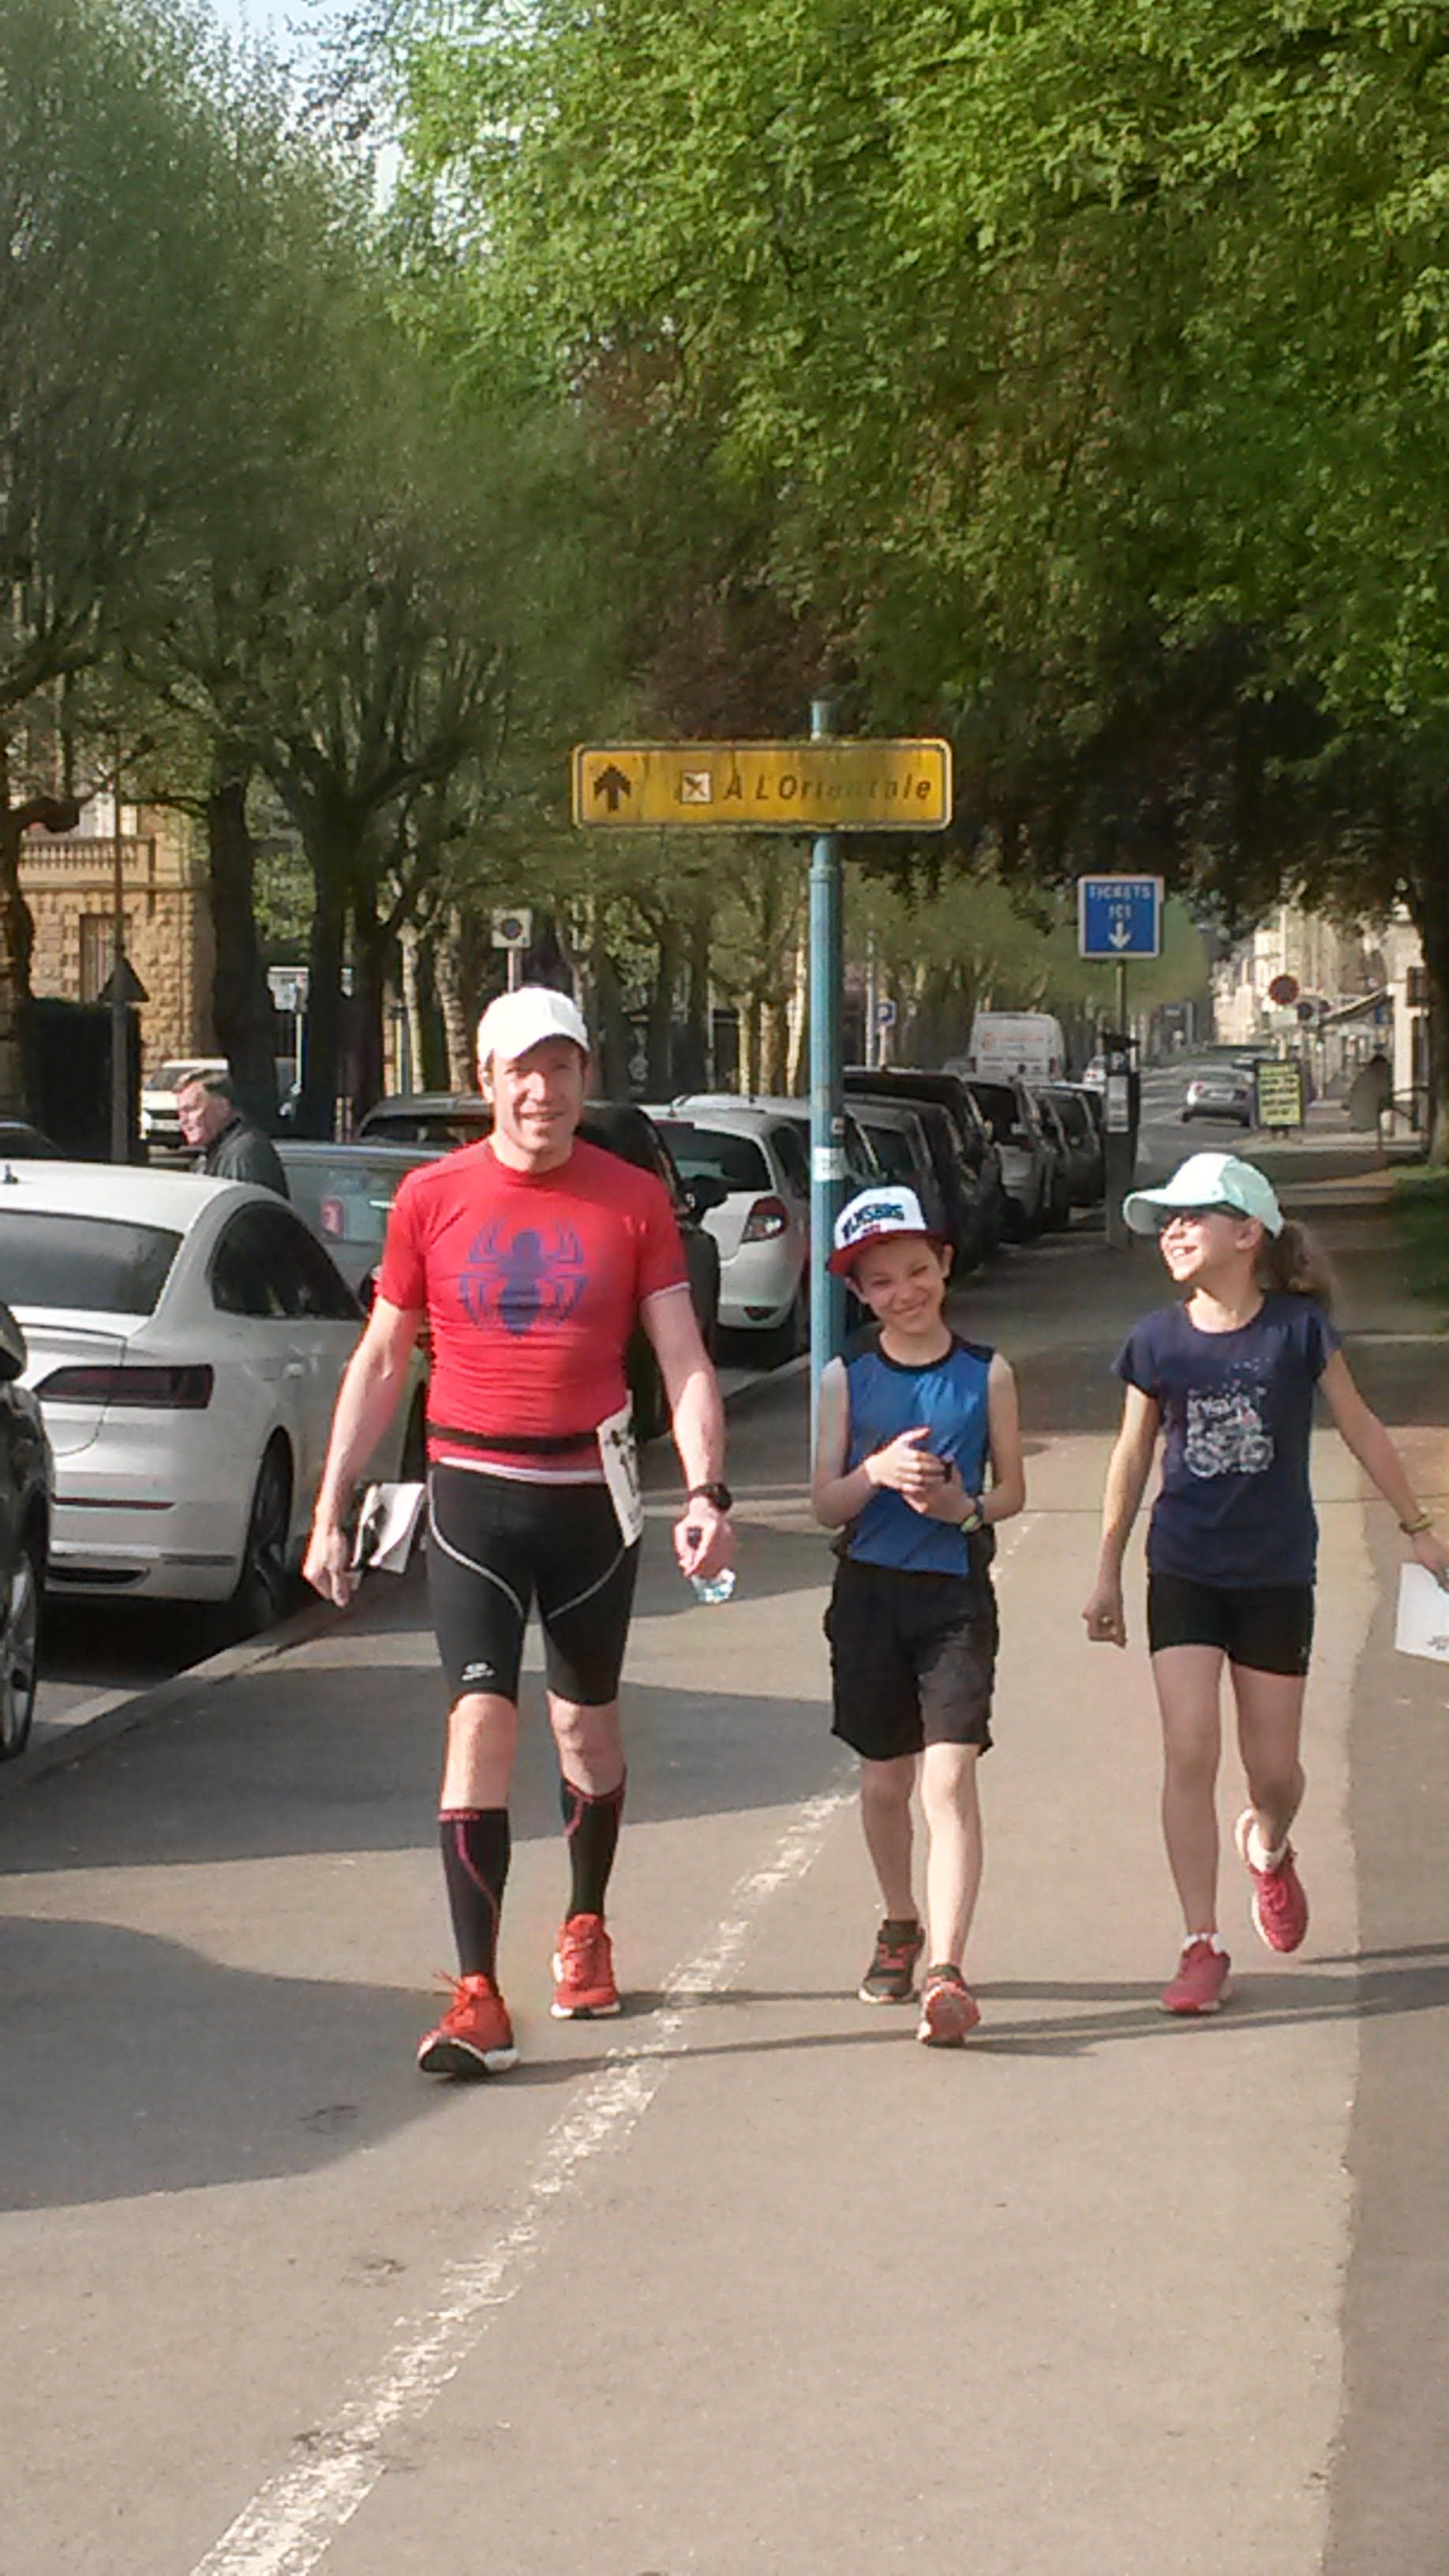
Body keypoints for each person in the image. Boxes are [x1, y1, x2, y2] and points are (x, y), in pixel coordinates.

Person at [301, 984, 734, 2078]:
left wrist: (707, 1492)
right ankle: (477, 1993)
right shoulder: (433, 1196)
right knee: (479, 1723)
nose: (543, 1091)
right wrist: (331, 1505)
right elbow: (383, 1357)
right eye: (523, 1071)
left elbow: (682, 1356)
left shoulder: (632, 1200)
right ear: (486, 1081)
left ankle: (584, 1922)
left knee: (585, 1730)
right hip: (472, 1492)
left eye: (563, 1069)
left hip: (589, 1496)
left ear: (586, 1078)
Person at [1083, 1149, 1449, 2016]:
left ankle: (1271, 1846)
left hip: (1277, 1574)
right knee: (1189, 1748)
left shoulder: (1299, 1330)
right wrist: (1106, 1570)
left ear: (1248, 1234)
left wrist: (1419, 1529)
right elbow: (1131, 1455)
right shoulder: (1156, 1339)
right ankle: (1201, 1943)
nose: (1172, 1231)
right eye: (1165, 1220)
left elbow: (1360, 1426)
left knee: (1274, 1773)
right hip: (1183, 1567)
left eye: (1191, 1216)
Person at [811, 1184, 1025, 2045]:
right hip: (869, 1596)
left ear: (944, 1264)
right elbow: (824, 1503)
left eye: (916, 1270)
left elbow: (1012, 1492)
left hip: (954, 1598)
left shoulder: (987, 1373)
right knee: (884, 1783)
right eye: (881, 1282)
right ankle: (900, 1920)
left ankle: (948, 1968)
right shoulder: (845, 1378)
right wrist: (876, 1474)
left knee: (948, 1780)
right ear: (858, 1294)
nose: (904, 1292)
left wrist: (963, 1511)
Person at [176, 1072, 290, 1198]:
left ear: (223, 1107)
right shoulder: (218, 1149)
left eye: (191, 1109)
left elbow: (246, 1207)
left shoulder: (244, 1152)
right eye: (180, 1113)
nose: (183, 1121)